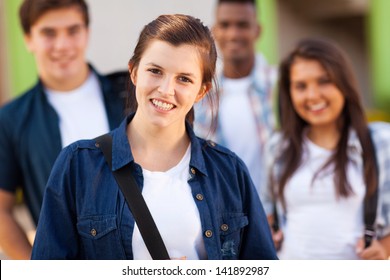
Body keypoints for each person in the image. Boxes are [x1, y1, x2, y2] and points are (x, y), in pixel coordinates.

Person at [31, 14, 278, 260]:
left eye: (184, 79)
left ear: (201, 91)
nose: (166, 90)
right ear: (134, 72)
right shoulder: (78, 165)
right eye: (155, 71)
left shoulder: (229, 171)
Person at [0, 0, 126, 260]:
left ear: (87, 33)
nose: (62, 45)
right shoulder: (11, 119)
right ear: (28, 39)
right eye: (48, 33)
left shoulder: (128, 94)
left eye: (73, 30)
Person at [262, 38, 390, 259]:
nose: (312, 95)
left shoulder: (380, 141)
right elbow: (268, 211)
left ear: (344, 83)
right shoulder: (279, 146)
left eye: (324, 81)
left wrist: (385, 249)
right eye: (301, 86)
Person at [194, 0, 277, 198]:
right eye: (225, 25)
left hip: (272, 215)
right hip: (222, 211)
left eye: (242, 25)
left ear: (257, 30)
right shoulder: (199, 93)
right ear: (214, 31)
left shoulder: (281, 86)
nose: (233, 34)